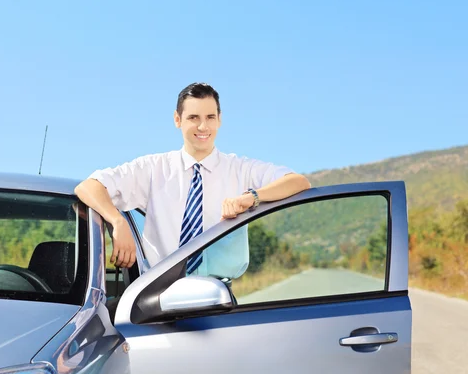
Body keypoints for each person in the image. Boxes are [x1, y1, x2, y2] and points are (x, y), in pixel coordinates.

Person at [74, 82, 311, 275]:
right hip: (159, 296)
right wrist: (117, 222)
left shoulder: (240, 169)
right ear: (177, 120)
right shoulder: (153, 168)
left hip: (219, 299)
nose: (202, 126)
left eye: (210, 117)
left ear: (219, 120)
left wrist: (252, 198)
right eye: (193, 117)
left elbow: (298, 182)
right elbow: (89, 187)